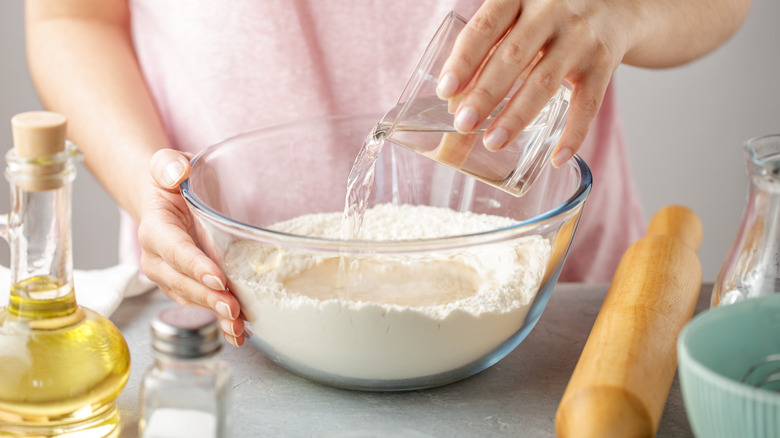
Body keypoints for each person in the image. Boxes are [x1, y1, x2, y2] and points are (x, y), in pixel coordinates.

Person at [25, 0, 751, 347]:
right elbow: (69, 18)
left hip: (552, 310)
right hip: (223, 304)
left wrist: (621, 13)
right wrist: (147, 185)